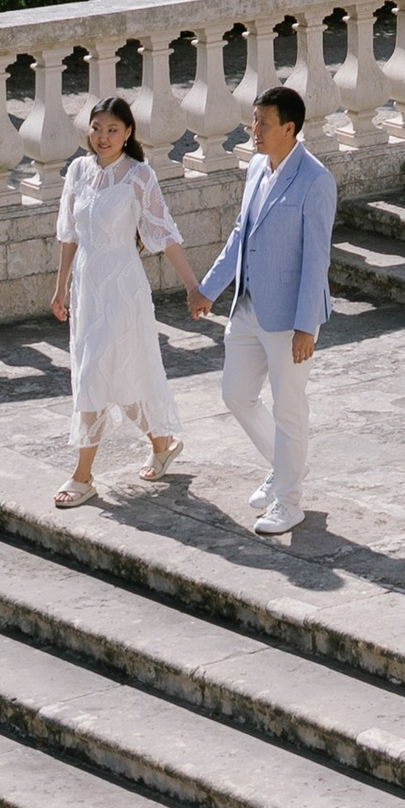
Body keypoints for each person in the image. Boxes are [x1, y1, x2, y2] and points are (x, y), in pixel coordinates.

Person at [48, 97, 211, 509]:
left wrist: (193, 287)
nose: (103, 137)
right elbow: (69, 234)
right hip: (88, 284)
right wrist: (60, 287)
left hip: (122, 287)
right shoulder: (78, 171)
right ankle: (163, 444)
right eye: (97, 128)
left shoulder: (139, 176)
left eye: (113, 130)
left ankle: (82, 476)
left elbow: (164, 233)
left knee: (94, 372)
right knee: (115, 375)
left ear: (128, 134)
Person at [197, 84, 336, 537]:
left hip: (289, 317)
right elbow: (242, 233)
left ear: (289, 128)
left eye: (263, 122)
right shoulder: (257, 167)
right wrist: (209, 290)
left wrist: (306, 326)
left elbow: (317, 259)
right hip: (248, 308)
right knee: (236, 394)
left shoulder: (316, 181)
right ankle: (285, 467)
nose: (253, 129)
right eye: (253, 120)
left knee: (290, 409)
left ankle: (289, 501)